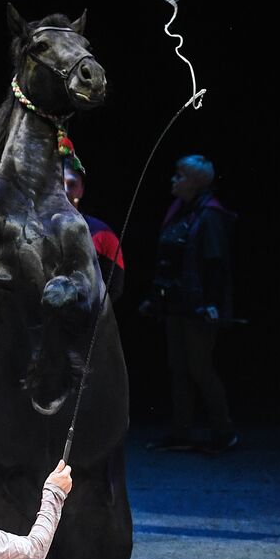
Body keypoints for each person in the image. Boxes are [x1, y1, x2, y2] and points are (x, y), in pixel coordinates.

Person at [140, 155, 238, 453]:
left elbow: (215, 262)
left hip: (198, 308)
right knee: (179, 367)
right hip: (177, 305)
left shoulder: (209, 215)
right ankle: (182, 433)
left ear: (195, 181)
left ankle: (224, 431)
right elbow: (170, 262)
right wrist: (155, 300)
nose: (174, 180)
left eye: (179, 175)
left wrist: (212, 303)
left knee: (199, 367)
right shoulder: (181, 212)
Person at [63, 154, 125, 304]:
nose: (64, 190)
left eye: (72, 184)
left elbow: (114, 288)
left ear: (81, 190)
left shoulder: (102, 234)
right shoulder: (32, 229)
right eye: (58, 183)